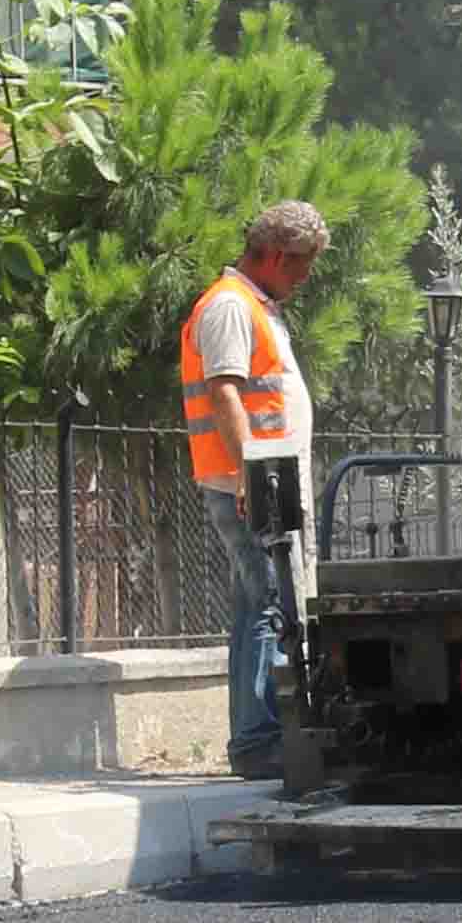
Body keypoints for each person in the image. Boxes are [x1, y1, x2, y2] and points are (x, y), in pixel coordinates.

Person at [181, 203, 325, 782]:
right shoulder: (230, 306)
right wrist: (251, 476)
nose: (306, 277)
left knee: (254, 607)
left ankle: (254, 737)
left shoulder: (251, 306)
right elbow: (225, 393)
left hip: (261, 481)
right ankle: (259, 740)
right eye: (302, 264)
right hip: (252, 484)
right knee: (268, 604)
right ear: (275, 256)